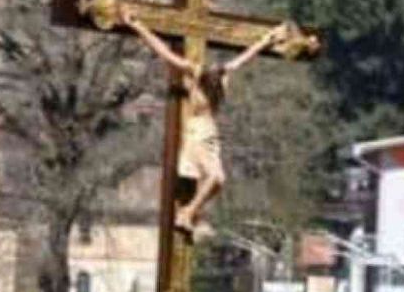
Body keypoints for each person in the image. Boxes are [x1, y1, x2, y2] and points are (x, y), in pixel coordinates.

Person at [122, 13, 291, 239]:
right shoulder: (194, 72)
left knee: (207, 183)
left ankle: (189, 217)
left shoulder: (222, 74)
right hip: (199, 133)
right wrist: (138, 26)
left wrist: (266, 40)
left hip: (208, 134)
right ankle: (187, 213)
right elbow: (164, 53)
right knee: (216, 178)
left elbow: (245, 57)